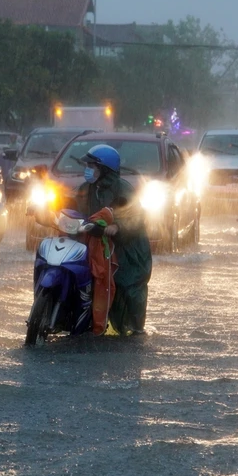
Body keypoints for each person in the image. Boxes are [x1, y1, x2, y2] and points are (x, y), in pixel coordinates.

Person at [75, 144, 152, 336]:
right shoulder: (87, 189)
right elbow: (74, 209)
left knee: (128, 288)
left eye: (92, 166)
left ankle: (133, 330)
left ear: (104, 169)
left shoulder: (123, 189)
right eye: (88, 166)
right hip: (100, 244)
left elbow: (136, 217)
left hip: (129, 249)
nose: (88, 170)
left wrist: (117, 227)